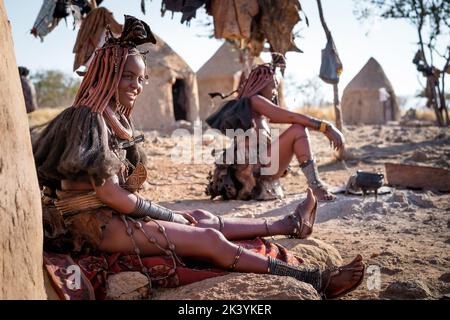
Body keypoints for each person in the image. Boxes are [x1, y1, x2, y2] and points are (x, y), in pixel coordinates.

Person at [33, 15, 364, 299]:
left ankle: (288, 224)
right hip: (94, 225)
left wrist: (174, 216)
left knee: (199, 216)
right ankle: (317, 281)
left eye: (140, 78)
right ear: (105, 75)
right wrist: (167, 216)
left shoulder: (110, 117)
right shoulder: (87, 118)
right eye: (127, 76)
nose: (136, 85)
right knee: (206, 237)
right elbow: (109, 194)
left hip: (113, 215)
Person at [206, 56, 345, 202]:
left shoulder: (254, 111)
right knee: (298, 130)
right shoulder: (255, 101)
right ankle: (316, 187)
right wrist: (326, 127)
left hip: (257, 171)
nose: (275, 91)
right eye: (273, 86)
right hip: (252, 174)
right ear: (262, 84)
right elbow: (292, 118)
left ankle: (315, 186)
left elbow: (281, 117)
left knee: (296, 130)